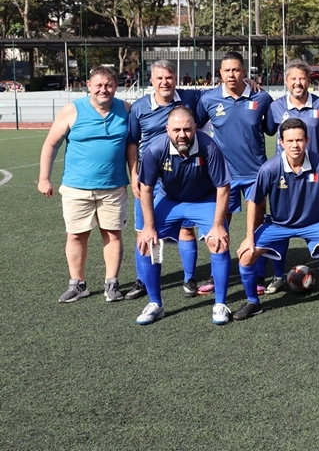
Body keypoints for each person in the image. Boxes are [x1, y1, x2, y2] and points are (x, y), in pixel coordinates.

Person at [233, 119, 319, 321]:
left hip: (313, 223)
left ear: (307, 140)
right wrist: (249, 237)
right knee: (246, 255)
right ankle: (253, 302)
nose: (295, 145)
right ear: (281, 142)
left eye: (299, 140)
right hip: (278, 224)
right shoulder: (270, 168)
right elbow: (254, 202)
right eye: (290, 141)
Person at [38, 66, 131, 303]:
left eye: (108, 85)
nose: (103, 89)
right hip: (76, 188)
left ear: (116, 86)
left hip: (114, 188)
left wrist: (137, 176)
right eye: (98, 85)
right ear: (88, 86)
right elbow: (51, 144)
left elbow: (134, 148)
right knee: (76, 236)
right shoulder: (72, 110)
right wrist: (44, 178)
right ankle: (77, 284)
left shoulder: (126, 109)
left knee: (113, 235)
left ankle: (112, 283)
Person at [134, 107, 232, 325]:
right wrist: (148, 227)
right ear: (167, 129)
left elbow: (223, 187)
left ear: (195, 128)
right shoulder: (155, 149)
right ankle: (155, 304)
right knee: (146, 242)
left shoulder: (209, 147)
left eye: (187, 129)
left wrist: (218, 225)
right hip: (170, 200)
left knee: (218, 241)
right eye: (176, 129)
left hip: (204, 200)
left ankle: (220, 304)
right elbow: (146, 189)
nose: (182, 134)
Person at [124, 59, 205, 301]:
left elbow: (221, 89)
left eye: (169, 77)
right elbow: (132, 143)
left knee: (186, 229)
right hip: (150, 178)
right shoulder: (139, 107)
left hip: (182, 176)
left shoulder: (189, 99)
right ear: (151, 80)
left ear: (176, 78)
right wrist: (134, 174)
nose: (164, 82)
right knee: (145, 231)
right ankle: (144, 280)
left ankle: (189, 278)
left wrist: (248, 82)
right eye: (159, 78)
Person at [196, 51, 274, 296]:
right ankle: (217, 272)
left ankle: (258, 272)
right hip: (224, 175)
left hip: (255, 173)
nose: (231, 74)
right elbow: (195, 127)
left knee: (257, 221)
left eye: (236, 70)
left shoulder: (262, 98)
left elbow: (271, 129)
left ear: (244, 72)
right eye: (227, 70)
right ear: (220, 73)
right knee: (220, 222)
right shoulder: (208, 99)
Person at [264, 59, 319, 293]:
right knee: (280, 223)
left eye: (302, 78)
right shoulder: (275, 107)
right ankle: (277, 275)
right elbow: (266, 130)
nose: (298, 83)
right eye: (293, 78)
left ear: (308, 80)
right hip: (283, 178)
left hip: (315, 178)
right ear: (286, 81)